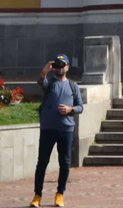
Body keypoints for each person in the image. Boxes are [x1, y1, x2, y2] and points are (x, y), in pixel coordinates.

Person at [30, 53, 83, 208]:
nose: (60, 68)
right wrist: (44, 71)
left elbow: (80, 107)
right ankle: (37, 195)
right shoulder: (50, 83)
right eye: (57, 65)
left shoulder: (73, 86)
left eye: (62, 65)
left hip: (65, 129)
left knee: (65, 163)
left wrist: (70, 109)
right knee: (42, 163)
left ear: (67, 67)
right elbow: (41, 81)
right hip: (48, 128)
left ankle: (60, 194)